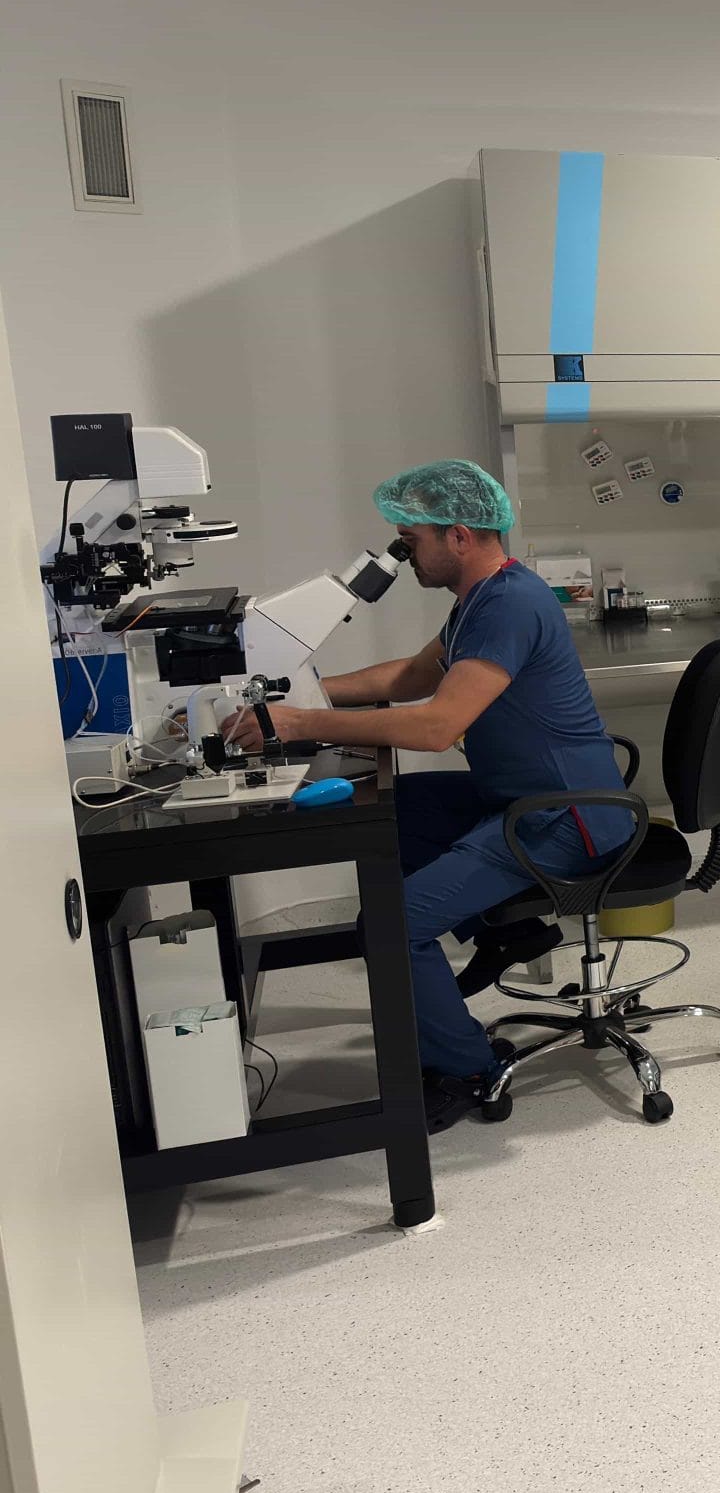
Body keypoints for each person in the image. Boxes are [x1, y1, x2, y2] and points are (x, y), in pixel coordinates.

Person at [225, 460, 633, 1128]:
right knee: (394, 814)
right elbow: (413, 677)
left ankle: (468, 1068)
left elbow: (436, 726)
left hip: (565, 819)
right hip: (518, 796)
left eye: (411, 539)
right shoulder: (483, 598)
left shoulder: (510, 604)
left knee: (390, 922)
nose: (403, 552)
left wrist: (300, 724)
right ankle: (506, 931)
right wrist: (299, 694)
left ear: (460, 536)